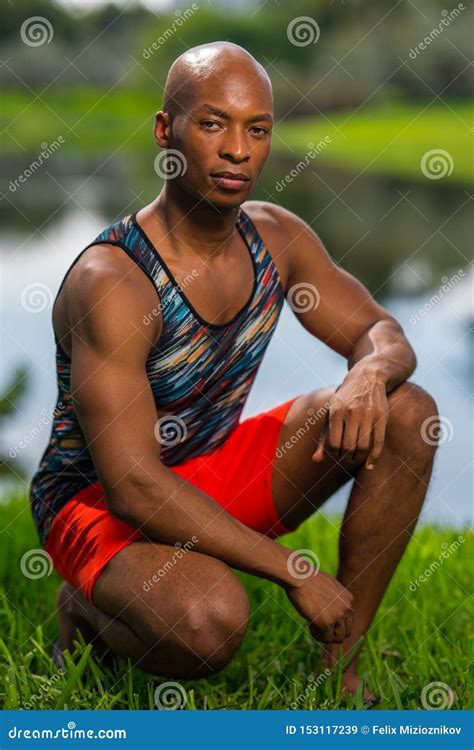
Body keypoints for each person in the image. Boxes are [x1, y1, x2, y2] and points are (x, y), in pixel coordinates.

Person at [29, 41, 440, 705]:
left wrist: (367, 372)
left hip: (208, 469)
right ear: (167, 130)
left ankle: (340, 670)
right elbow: (133, 486)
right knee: (208, 623)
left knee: (408, 410)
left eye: (258, 129)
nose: (238, 151)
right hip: (99, 501)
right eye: (213, 123)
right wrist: (294, 569)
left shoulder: (276, 237)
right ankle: (84, 608)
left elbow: (381, 333)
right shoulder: (114, 282)